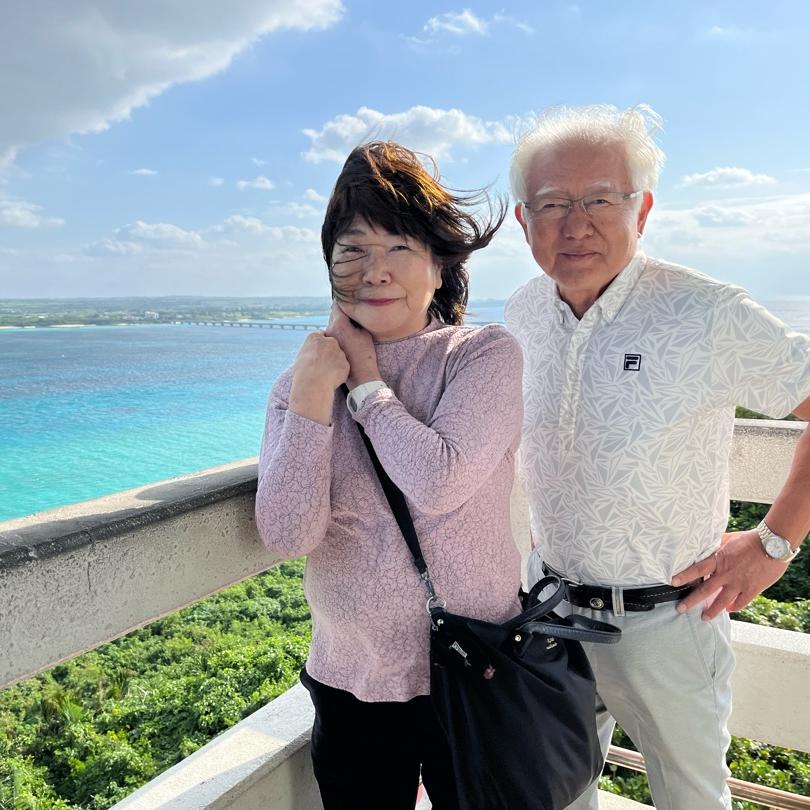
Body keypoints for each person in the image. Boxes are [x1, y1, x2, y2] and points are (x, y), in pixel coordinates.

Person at [504, 104, 810, 810]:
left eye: (599, 200)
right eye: (552, 203)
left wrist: (775, 542)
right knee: (555, 795)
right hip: (549, 612)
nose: (575, 224)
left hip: (668, 621)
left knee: (691, 799)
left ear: (641, 210)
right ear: (524, 221)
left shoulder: (706, 312)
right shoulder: (523, 311)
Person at [255, 141, 523, 810]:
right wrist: (314, 391)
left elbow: (438, 483)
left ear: (440, 264)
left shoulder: (480, 355)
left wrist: (367, 383)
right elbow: (287, 534)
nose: (375, 270)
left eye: (399, 246)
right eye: (353, 249)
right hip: (352, 679)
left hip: (476, 665)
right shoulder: (301, 383)